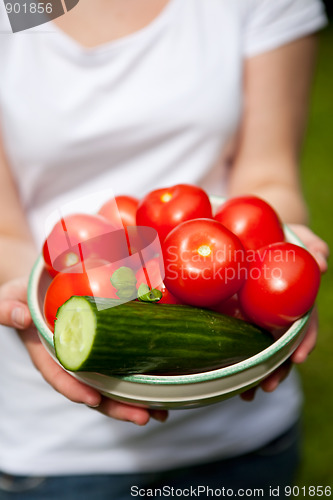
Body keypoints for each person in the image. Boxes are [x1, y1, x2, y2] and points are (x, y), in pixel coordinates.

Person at [0, 0, 329, 498]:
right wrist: (35, 313)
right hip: (53, 447)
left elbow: (268, 175)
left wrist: (288, 248)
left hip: (243, 424)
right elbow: (6, 230)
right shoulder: (14, 12)